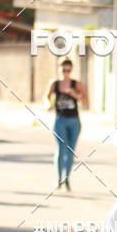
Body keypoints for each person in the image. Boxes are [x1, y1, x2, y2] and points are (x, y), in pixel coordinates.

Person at [47, 58, 88, 191]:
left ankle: (67, 178)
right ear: (59, 69)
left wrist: (74, 94)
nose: (66, 73)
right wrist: (49, 105)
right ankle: (59, 178)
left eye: (68, 70)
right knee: (61, 148)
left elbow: (86, 101)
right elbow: (47, 97)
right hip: (60, 120)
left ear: (72, 70)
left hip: (74, 121)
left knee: (70, 151)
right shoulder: (55, 84)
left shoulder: (77, 84)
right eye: (63, 70)